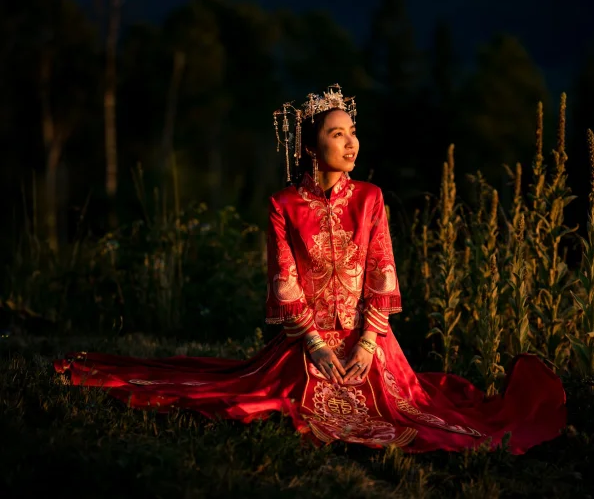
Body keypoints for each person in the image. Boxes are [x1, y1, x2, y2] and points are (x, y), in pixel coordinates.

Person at [55, 85, 566, 454]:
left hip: (371, 339)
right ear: (309, 146)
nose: (350, 144)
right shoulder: (283, 204)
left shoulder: (371, 198)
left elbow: (381, 273)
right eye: (336, 134)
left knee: (411, 410)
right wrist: (317, 344)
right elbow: (284, 279)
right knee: (270, 396)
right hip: (306, 341)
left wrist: (367, 344)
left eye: (353, 133)